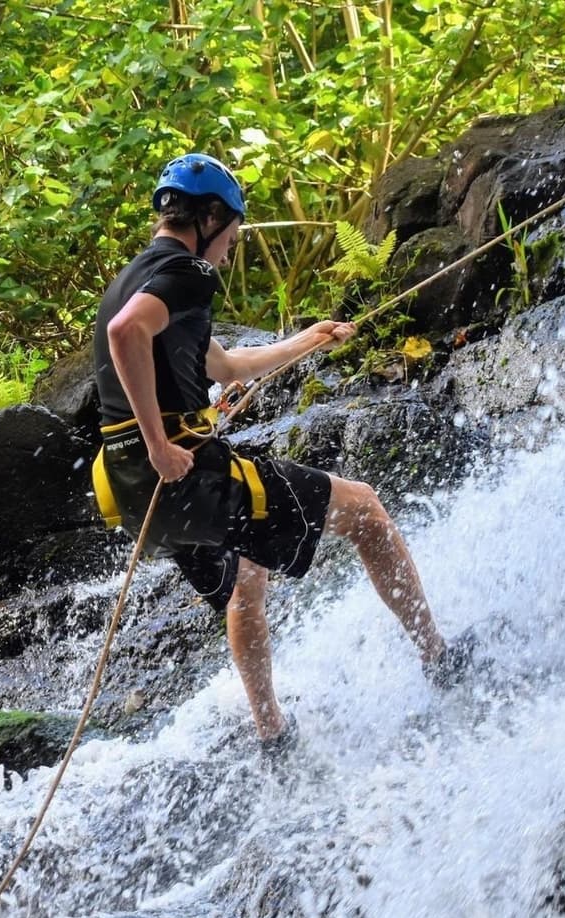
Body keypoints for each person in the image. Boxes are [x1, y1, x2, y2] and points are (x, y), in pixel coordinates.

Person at [89, 152, 456, 753]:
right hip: (180, 472)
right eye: (230, 236)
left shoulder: (133, 278)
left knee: (247, 577)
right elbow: (125, 334)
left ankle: (272, 734)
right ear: (208, 219)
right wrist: (159, 445)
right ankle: (439, 659)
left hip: (136, 497)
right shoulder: (188, 273)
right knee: (366, 511)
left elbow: (227, 367)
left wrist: (310, 339)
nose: (230, 251)